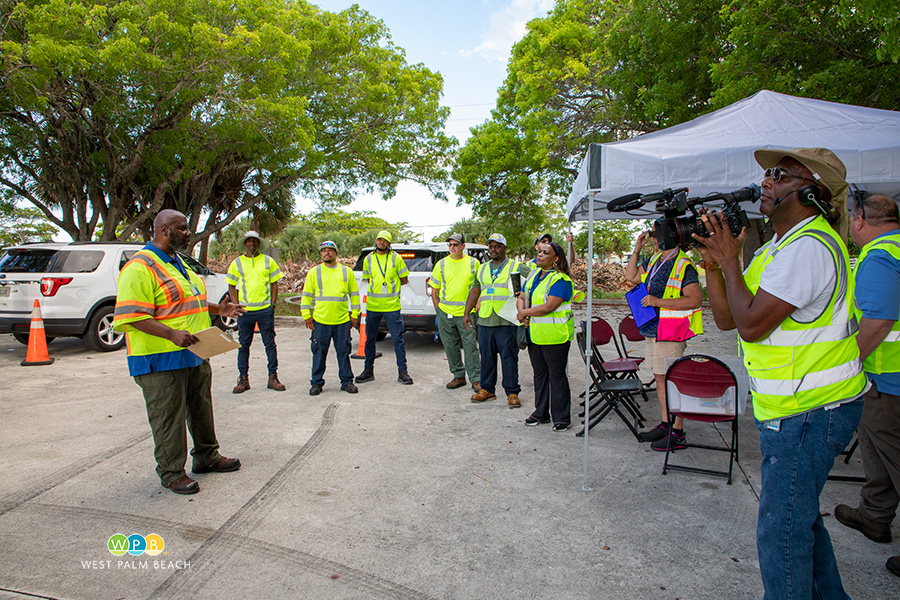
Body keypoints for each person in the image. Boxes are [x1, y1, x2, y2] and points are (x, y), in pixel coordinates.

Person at [696, 147, 869, 599]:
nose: (765, 181)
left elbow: (751, 326)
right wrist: (715, 263)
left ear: (811, 191)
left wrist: (730, 259)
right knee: (801, 520)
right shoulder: (779, 247)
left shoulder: (810, 247)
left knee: (781, 535)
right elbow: (727, 317)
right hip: (791, 410)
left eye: (779, 174)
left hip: (810, 413)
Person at [113, 209, 243, 495]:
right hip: (159, 359)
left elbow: (188, 301)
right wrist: (170, 334)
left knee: (201, 408)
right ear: (162, 229)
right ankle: (172, 472)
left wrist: (218, 309)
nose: (187, 233)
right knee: (168, 417)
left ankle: (206, 456)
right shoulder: (139, 268)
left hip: (193, 352)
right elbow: (131, 316)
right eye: (182, 228)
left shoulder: (176, 263)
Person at [832, 193, 900, 578]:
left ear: (858, 220)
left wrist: (848, 363)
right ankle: (874, 515)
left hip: (888, 377)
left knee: (891, 451)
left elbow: (879, 320)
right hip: (888, 377)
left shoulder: (879, 255)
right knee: (875, 449)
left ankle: (875, 514)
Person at [624, 225, 703, 451]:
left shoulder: (684, 265)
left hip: (671, 331)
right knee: (660, 378)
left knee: (672, 380)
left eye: (659, 235)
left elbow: (694, 299)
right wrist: (637, 250)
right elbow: (630, 276)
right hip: (653, 329)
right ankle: (666, 423)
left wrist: (657, 302)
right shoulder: (656, 259)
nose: (656, 240)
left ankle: (677, 431)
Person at [464, 233, 530, 408]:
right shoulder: (482, 268)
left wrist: (524, 303)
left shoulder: (516, 266)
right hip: (485, 320)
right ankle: (487, 389)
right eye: (491, 246)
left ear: (504, 248)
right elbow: (475, 291)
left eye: (497, 246)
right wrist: (466, 313)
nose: (493, 249)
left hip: (507, 320)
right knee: (486, 357)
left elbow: (533, 282)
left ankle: (512, 392)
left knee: (509, 357)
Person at [516, 241, 575, 431]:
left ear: (556, 259)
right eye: (539, 251)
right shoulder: (533, 275)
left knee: (557, 377)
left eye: (545, 252)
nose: (539, 254)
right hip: (535, 335)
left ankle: (561, 418)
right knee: (539, 376)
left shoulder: (561, 280)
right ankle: (540, 413)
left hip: (555, 337)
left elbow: (549, 307)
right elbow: (522, 297)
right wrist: (521, 312)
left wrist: (526, 313)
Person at [227, 230, 286, 393]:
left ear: (258, 243)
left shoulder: (268, 261)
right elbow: (231, 285)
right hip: (245, 311)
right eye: (249, 241)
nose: (252, 244)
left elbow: (275, 283)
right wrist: (235, 304)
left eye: (254, 241)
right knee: (243, 345)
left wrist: (272, 304)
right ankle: (243, 379)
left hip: (265, 310)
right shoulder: (237, 263)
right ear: (245, 244)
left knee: (270, 344)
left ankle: (273, 377)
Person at [300, 241, 360, 396]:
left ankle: (347, 382)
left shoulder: (347, 272)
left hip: (341, 321)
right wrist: (306, 315)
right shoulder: (314, 272)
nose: (327, 253)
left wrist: (354, 315)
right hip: (321, 321)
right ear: (321, 254)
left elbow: (354, 295)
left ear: (336, 253)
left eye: (330, 250)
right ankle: (316, 383)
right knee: (319, 353)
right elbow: (306, 295)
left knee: (343, 352)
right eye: (324, 251)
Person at [355, 230, 414, 385]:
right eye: (379, 239)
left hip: (391, 306)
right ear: (376, 241)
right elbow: (368, 279)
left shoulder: (396, 258)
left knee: (397, 339)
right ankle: (368, 371)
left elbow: (404, 279)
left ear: (389, 243)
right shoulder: (369, 259)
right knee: (370, 340)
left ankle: (403, 372)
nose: (381, 242)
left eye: (384, 240)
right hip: (373, 306)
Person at [430, 233, 481, 391]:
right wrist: (438, 309)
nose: (453, 247)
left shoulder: (474, 263)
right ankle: (458, 376)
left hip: (466, 313)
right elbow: (434, 290)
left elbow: (480, 287)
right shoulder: (442, 264)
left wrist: (477, 304)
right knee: (450, 346)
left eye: (456, 244)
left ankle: (476, 379)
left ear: (463, 247)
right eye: (450, 244)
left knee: (470, 346)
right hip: (445, 312)